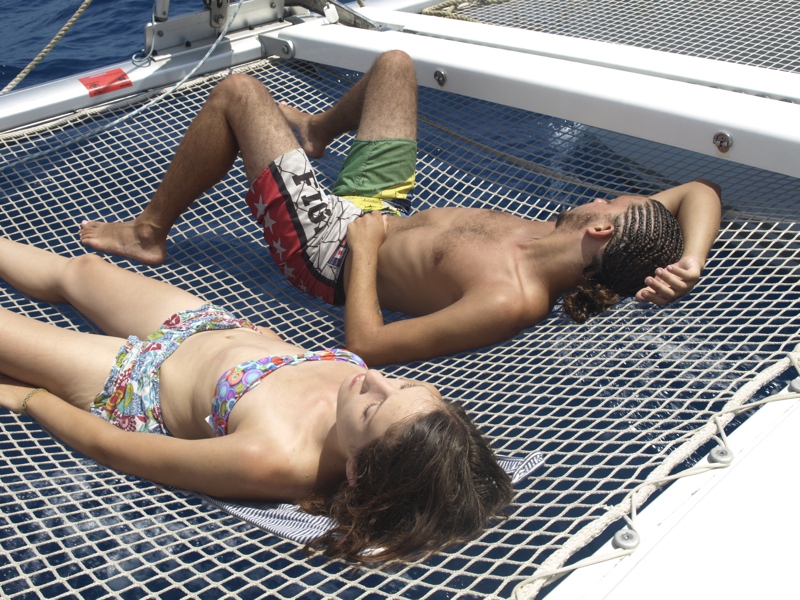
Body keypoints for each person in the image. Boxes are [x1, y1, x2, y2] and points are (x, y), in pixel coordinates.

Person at [78, 50, 722, 366]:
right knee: (394, 66)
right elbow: (701, 191)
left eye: (610, 200)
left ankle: (147, 232)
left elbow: (370, 344)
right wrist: (690, 261)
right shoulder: (567, 235)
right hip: (380, 205)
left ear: (603, 228)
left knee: (239, 93)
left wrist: (363, 251)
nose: (600, 195)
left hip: (333, 251)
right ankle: (318, 133)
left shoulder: (513, 298)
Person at [0, 235, 513, 562]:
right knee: (84, 271)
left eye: (374, 406)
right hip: (205, 327)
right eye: (405, 385)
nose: (376, 379)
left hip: (139, 382)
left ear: (356, 469)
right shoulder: (391, 417)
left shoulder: (272, 456)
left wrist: (33, 400)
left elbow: (117, 449)